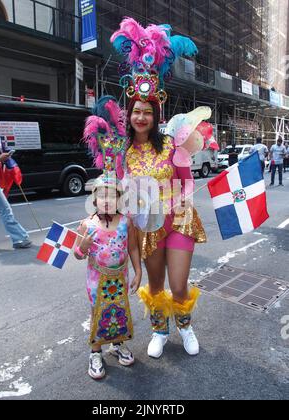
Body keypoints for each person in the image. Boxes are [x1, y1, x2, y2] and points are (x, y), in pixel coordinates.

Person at [111, 18, 217, 359]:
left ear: (156, 116)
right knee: (155, 285)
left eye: (147, 112)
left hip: (179, 219)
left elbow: (187, 184)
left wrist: (178, 199)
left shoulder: (172, 144)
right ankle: (159, 330)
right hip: (148, 227)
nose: (141, 117)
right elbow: (124, 199)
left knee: (179, 282)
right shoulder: (124, 154)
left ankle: (185, 326)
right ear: (129, 116)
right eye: (136, 112)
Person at [76, 97, 142, 380]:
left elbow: (133, 249)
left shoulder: (126, 222)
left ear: (118, 200)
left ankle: (117, 344)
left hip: (120, 277)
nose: (106, 201)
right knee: (98, 313)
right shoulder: (86, 224)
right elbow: (78, 255)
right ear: (94, 199)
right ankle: (95, 351)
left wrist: (138, 271)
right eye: (101, 196)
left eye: (111, 196)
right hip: (97, 279)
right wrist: (83, 246)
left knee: (118, 310)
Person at [0, 120, 32, 249]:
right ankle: (20, 238)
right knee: (6, 209)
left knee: (5, 209)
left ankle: (20, 238)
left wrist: (4, 159)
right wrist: (0, 158)